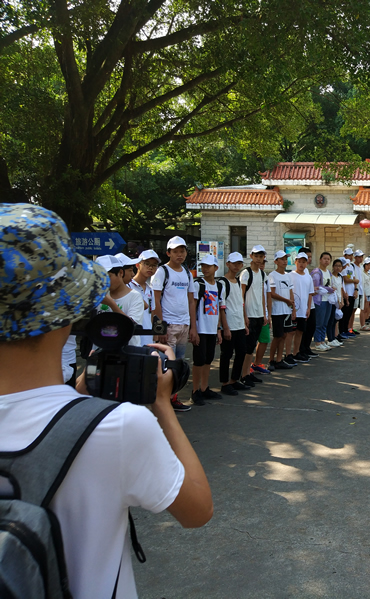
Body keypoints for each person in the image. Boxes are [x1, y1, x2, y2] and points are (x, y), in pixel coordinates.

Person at [0, 203, 212, 599]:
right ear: (67, 312)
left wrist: (81, 384)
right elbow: (197, 510)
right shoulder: (114, 428)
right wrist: (162, 404)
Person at [152, 235, 197, 412]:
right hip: (169, 325)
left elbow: (191, 300)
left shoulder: (187, 272)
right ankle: (162, 400)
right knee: (166, 365)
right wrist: (160, 328)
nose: (179, 255)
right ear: (168, 253)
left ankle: (172, 398)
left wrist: (193, 327)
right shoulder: (162, 271)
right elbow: (155, 300)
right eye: (176, 251)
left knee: (178, 364)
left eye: (182, 251)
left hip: (184, 325)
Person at [190, 255, 228, 405]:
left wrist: (219, 329)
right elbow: (192, 307)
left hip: (212, 329)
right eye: (203, 266)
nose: (205, 269)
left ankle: (205, 388)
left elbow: (219, 309)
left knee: (208, 359)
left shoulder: (219, 287)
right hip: (201, 328)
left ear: (215, 268)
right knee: (199, 360)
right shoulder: (198, 284)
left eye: (208, 266)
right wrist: (193, 329)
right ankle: (195, 390)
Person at [218, 252, 252, 395]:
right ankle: (225, 383)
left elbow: (240, 303)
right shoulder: (222, 283)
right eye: (234, 263)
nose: (237, 266)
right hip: (229, 325)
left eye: (239, 264)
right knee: (227, 354)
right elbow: (222, 306)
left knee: (241, 352)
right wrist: (224, 327)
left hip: (239, 323)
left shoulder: (238, 281)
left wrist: (244, 322)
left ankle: (234, 380)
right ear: (228, 264)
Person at [96, 254, 145, 347]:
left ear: (121, 273)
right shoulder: (97, 295)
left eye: (108, 276)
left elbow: (132, 326)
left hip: (128, 352)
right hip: (101, 350)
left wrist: (111, 304)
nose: (104, 281)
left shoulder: (135, 296)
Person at [240, 245, 268, 379]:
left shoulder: (262, 274)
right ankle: (244, 374)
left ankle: (248, 372)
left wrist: (264, 314)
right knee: (247, 346)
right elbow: (242, 295)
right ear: (251, 256)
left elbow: (262, 294)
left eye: (261, 257)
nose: (258, 259)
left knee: (252, 345)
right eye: (256, 256)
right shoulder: (246, 273)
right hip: (249, 314)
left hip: (259, 314)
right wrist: (244, 315)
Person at [268, 250, 296, 370]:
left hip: (286, 310)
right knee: (278, 336)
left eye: (286, 259)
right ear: (276, 261)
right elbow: (272, 294)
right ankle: (271, 360)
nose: (285, 261)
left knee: (284, 335)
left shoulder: (288, 275)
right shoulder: (272, 275)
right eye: (282, 259)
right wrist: (286, 301)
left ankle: (279, 360)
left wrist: (293, 308)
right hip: (277, 310)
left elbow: (291, 293)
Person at [287, 252, 314, 364]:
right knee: (290, 332)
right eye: (299, 262)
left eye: (304, 262)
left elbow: (310, 294)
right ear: (295, 262)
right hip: (292, 309)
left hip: (303, 309)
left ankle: (296, 352)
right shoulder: (290, 275)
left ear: (307, 263)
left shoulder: (308, 277)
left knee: (300, 331)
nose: (301, 264)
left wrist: (308, 308)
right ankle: (288, 354)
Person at [129, 249, 159, 347]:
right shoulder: (128, 286)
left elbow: (152, 313)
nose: (150, 267)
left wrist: (153, 334)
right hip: (132, 338)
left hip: (147, 338)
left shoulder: (150, 289)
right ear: (137, 265)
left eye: (154, 265)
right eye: (147, 263)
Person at [311, 252, 337, 351]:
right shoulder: (317, 272)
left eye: (328, 259)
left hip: (328, 300)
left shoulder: (328, 272)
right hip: (319, 300)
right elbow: (316, 287)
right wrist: (329, 289)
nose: (326, 260)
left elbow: (330, 284)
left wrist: (331, 288)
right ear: (320, 259)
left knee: (325, 322)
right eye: (324, 258)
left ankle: (322, 341)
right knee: (319, 322)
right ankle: (318, 342)